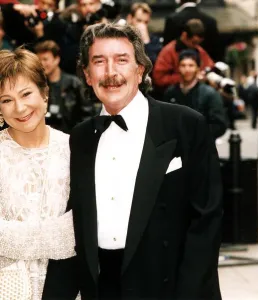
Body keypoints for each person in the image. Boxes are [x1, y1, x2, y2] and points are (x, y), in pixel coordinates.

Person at [43, 22, 223, 300]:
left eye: (122, 60)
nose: (111, 72)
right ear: (87, 76)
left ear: (140, 70)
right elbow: (74, 228)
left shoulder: (187, 125)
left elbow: (207, 223)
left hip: (172, 287)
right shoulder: (79, 138)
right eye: (99, 62)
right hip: (104, 289)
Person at [0, 48, 76, 299]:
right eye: (6, 100)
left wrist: (14, 236)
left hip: (66, 289)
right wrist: (61, 236)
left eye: (25, 94)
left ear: (44, 93)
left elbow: (86, 229)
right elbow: (70, 236)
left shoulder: (74, 149)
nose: (19, 108)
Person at [163, 49, 227, 139]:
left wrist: (198, 135)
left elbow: (219, 125)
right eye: (183, 65)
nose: (187, 69)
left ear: (198, 68)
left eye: (191, 65)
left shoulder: (209, 94)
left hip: (202, 148)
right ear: (178, 68)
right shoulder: (170, 93)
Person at [35, 40, 94, 133]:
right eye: (39, 60)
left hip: (72, 136)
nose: (41, 64)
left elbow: (87, 114)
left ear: (56, 59)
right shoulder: (38, 86)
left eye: (45, 59)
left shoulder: (74, 83)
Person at [153, 18, 214, 95]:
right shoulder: (168, 51)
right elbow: (159, 79)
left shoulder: (198, 49)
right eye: (194, 42)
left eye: (198, 43)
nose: (196, 46)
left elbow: (210, 66)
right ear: (185, 35)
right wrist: (186, 77)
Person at [126, 2, 162, 66]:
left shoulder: (154, 41)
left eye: (146, 22)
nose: (142, 26)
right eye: (139, 21)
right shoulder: (121, 37)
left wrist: (146, 42)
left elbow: (153, 65)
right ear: (130, 18)